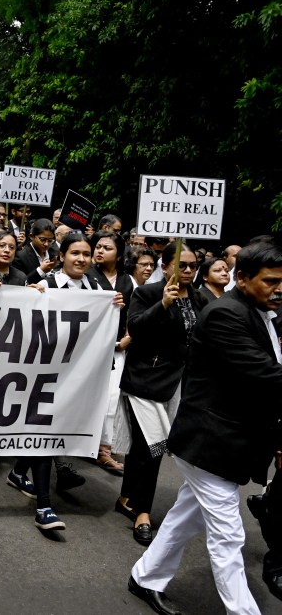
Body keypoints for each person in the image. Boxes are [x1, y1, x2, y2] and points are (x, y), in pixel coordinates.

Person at [129, 241, 282, 615]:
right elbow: (265, 376)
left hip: (228, 444)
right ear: (242, 279)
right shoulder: (226, 314)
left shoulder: (260, 311)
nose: (279, 289)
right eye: (272, 281)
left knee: (185, 516)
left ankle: (144, 577)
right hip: (208, 443)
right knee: (229, 536)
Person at [8, 232, 118, 532]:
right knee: (45, 432)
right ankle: (43, 506)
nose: (81, 259)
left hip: (74, 377)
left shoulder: (97, 289)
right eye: (75, 253)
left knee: (49, 430)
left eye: (86, 253)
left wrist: (113, 306)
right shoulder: (46, 286)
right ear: (62, 256)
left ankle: (18, 472)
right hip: (42, 374)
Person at [115, 241, 205, 549]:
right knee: (155, 446)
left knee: (142, 447)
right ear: (165, 266)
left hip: (178, 386)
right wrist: (163, 305)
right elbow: (135, 328)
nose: (189, 271)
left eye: (194, 266)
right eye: (183, 265)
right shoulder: (148, 293)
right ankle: (142, 513)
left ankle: (127, 497)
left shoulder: (198, 298)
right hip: (145, 382)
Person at [88, 230, 133, 476]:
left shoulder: (126, 281)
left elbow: (132, 314)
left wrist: (127, 337)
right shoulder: (87, 276)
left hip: (117, 349)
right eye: (98, 246)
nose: (100, 251)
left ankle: (104, 448)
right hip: (91, 348)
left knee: (112, 399)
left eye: (107, 247)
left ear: (119, 254)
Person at [13, 218, 57, 284]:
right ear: (32, 236)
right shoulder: (20, 256)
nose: (46, 244)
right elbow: (20, 283)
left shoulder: (55, 254)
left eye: (50, 240)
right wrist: (40, 271)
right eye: (42, 240)